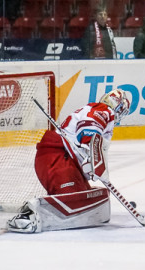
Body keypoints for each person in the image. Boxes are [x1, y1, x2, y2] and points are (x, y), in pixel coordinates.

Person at [7, 89, 132, 233]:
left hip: (66, 163)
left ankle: (43, 206)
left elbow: (93, 144)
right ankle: (27, 216)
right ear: (118, 106)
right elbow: (88, 130)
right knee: (73, 202)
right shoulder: (104, 111)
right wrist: (93, 159)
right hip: (57, 158)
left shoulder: (100, 113)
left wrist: (96, 166)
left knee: (88, 200)